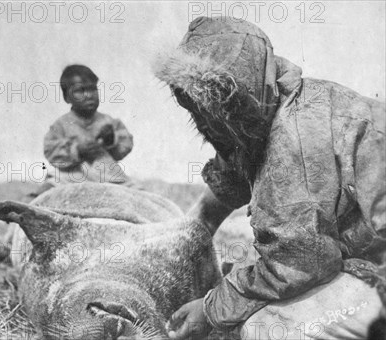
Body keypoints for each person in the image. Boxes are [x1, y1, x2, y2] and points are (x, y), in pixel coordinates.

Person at [154, 17, 385, 339]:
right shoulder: (267, 104)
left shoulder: (295, 135)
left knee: (268, 325)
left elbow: (301, 263)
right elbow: (228, 182)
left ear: (237, 97)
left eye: (210, 105)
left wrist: (211, 309)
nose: (203, 121)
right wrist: (189, 235)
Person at [42, 65, 137, 189]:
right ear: (66, 97)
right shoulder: (61, 124)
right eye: (79, 91)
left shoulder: (109, 122)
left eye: (92, 89)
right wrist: (77, 149)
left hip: (106, 174)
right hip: (72, 175)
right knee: (47, 188)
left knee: (138, 192)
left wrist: (112, 139)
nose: (88, 95)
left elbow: (126, 143)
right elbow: (51, 151)